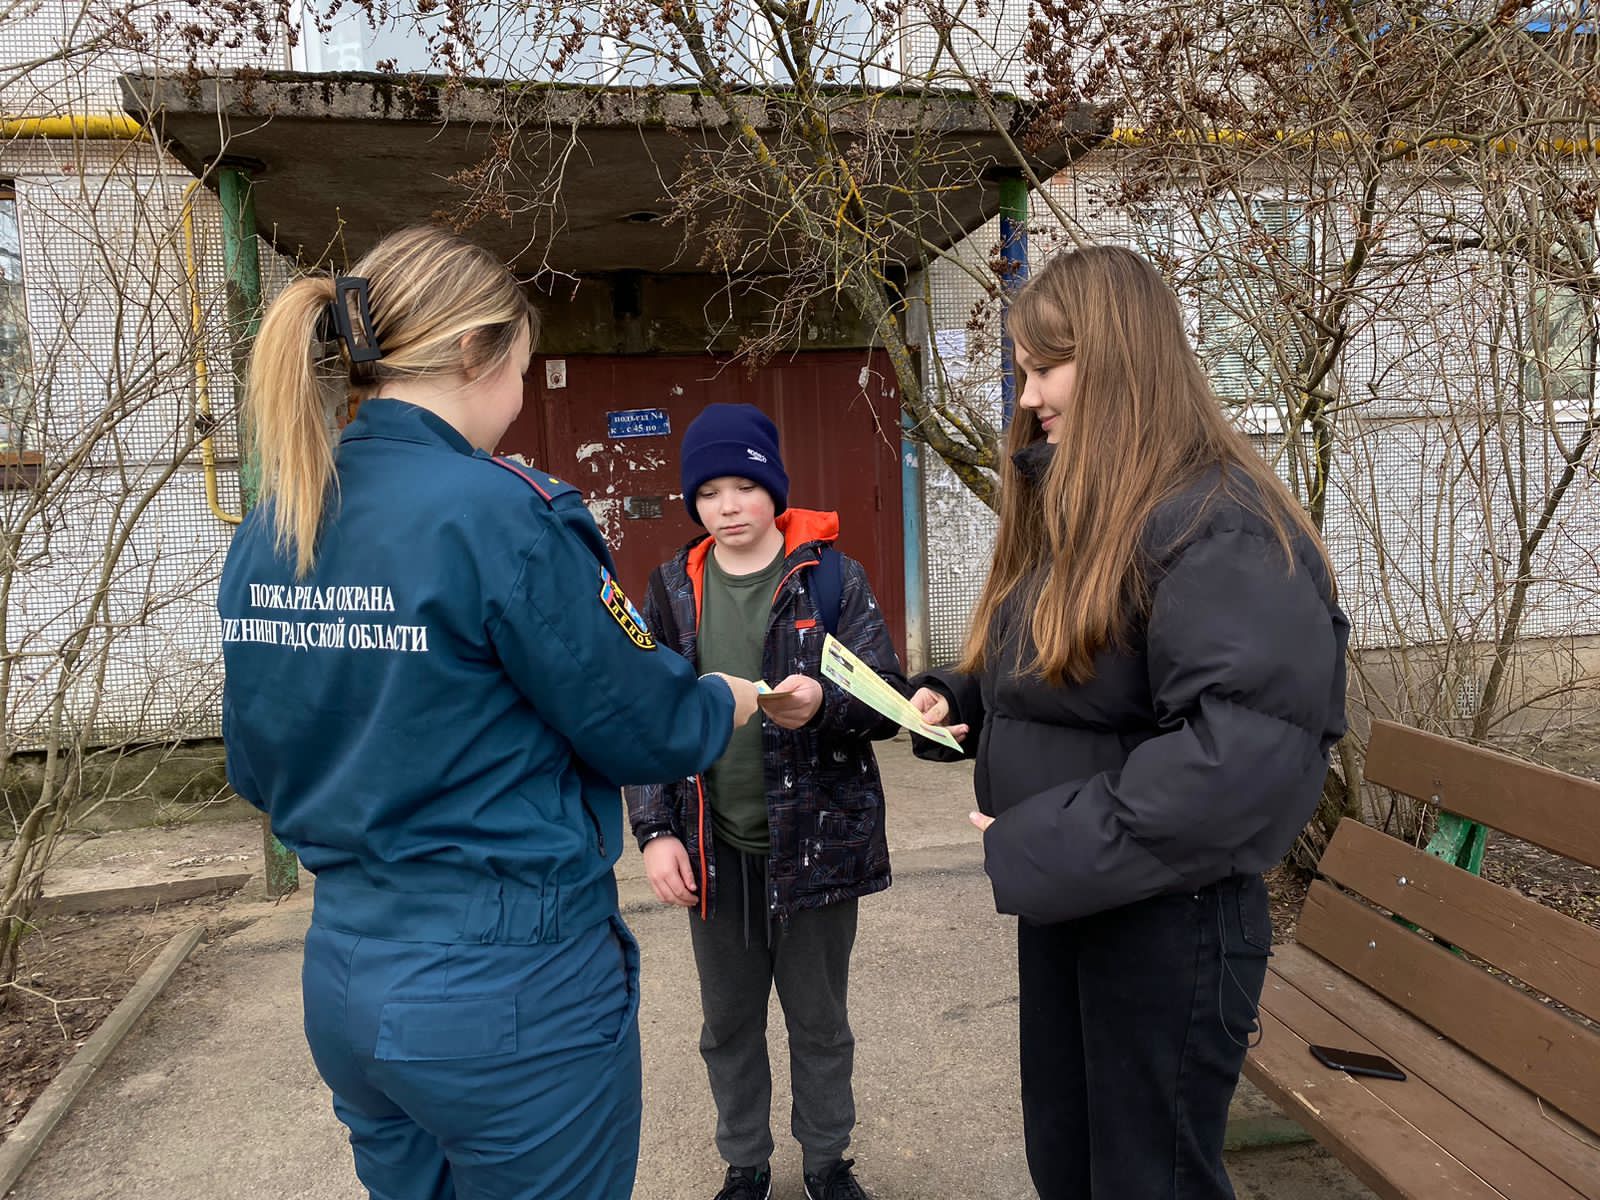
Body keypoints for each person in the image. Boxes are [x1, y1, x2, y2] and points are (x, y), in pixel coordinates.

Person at [218, 226, 760, 1200]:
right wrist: (728, 698)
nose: (522, 393)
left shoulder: (278, 517)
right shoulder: (500, 511)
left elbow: (256, 767)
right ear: (476, 354)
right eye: (524, 365)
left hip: (346, 971)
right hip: (505, 991)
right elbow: (643, 725)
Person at [909, 245, 1349, 1200]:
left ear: (1118, 361)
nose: (1029, 397)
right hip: (1079, 897)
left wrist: (1042, 839)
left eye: (1046, 366)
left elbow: (1239, 760)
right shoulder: (1094, 507)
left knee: (1150, 1181)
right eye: (1023, 370)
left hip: (1168, 926)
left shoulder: (1217, 524)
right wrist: (968, 695)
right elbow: (1079, 670)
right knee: (1069, 1166)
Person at [624, 403, 906, 1200]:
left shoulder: (832, 578)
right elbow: (649, 721)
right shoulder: (673, 588)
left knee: (819, 1023)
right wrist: (654, 832)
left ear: (773, 490)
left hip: (817, 848)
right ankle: (744, 1164)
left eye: (744, 485)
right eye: (709, 491)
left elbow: (882, 700)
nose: (728, 505)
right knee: (729, 1025)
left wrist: (825, 705)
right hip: (717, 856)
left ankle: (826, 1163)